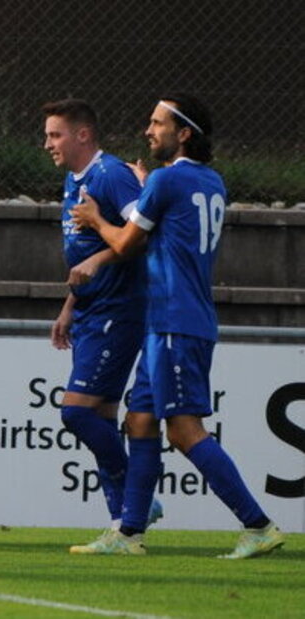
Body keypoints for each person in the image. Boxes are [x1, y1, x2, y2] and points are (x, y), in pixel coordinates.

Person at [69, 94, 284, 558]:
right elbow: (169, 214)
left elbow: (126, 244)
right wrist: (148, 186)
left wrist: (94, 218)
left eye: (157, 123)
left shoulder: (168, 180)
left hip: (174, 320)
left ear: (183, 133)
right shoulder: (210, 181)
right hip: (177, 319)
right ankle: (129, 534)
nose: (149, 131)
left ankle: (258, 524)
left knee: (184, 431)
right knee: (141, 421)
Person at [41, 98, 163, 532]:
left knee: (76, 412)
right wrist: (69, 305)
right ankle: (122, 525)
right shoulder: (75, 181)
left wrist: (98, 264)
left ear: (83, 134)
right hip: (92, 309)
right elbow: (84, 252)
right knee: (102, 418)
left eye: (55, 135)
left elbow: (140, 236)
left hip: (119, 309)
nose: (48, 144)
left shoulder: (110, 176)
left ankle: (135, 498)